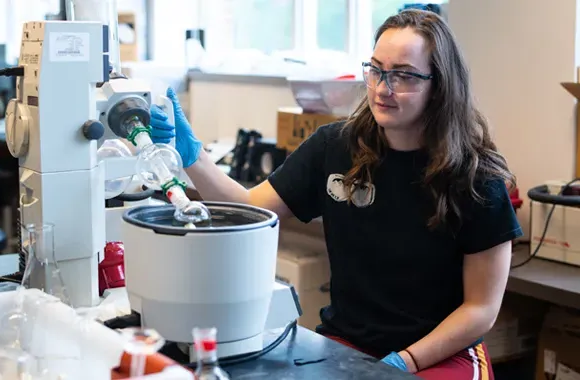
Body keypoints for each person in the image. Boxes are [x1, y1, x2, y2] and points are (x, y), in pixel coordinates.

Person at [149, 9, 522, 380]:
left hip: (439, 354)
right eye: (375, 70)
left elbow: (480, 309)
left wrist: (404, 362)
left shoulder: (476, 177)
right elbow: (250, 210)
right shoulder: (335, 147)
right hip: (347, 343)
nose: (381, 89)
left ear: (439, 85)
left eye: (403, 76)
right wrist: (193, 157)